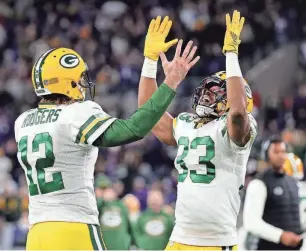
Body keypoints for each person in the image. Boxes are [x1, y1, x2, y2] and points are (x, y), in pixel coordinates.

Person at [14, 19, 200, 250]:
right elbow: (133, 129)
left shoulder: (23, 122)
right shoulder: (77, 114)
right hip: (73, 228)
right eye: (79, 78)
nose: (84, 84)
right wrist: (170, 81)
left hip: (37, 233)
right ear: (67, 82)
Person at [138, 12, 257, 250]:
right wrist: (151, 62)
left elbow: (236, 112)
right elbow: (147, 115)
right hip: (179, 238)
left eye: (216, 93)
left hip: (216, 242)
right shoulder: (187, 124)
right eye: (207, 91)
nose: (207, 96)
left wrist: (231, 55)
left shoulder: (237, 127)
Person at [243, 138, 303, 250]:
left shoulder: (292, 182)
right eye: (276, 152)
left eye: (283, 151)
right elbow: (251, 222)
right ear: (266, 155)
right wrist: (280, 236)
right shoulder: (259, 183)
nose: (280, 155)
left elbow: (297, 217)